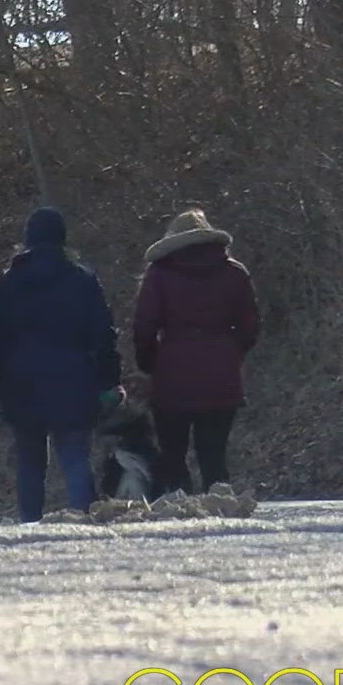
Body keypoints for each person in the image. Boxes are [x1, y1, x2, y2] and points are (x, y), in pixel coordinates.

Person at [0, 208, 123, 522]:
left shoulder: (11, 282)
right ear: (62, 238)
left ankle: (30, 524)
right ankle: (86, 521)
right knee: (74, 459)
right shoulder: (82, 279)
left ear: (28, 239)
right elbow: (103, 336)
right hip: (74, 382)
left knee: (30, 464)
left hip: (22, 385)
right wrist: (109, 382)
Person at [132, 209, 259, 494]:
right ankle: (221, 509)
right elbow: (250, 326)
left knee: (173, 455)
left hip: (173, 371)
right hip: (222, 373)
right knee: (214, 456)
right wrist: (231, 351)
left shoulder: (160, 274)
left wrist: (149, 362)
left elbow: (144, 326)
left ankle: (179, 513)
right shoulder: (234, 273)